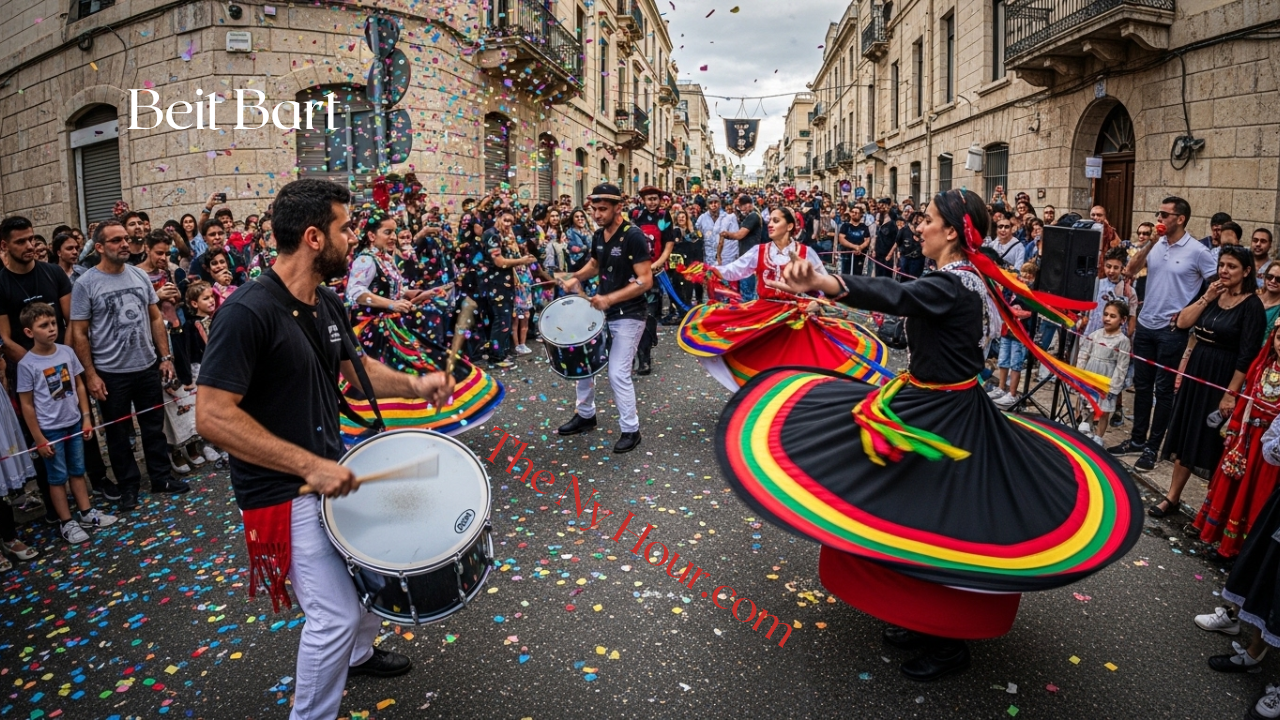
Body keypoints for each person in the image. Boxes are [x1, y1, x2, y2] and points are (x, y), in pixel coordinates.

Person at [716, 188, 1140, 682]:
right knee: (910, 508)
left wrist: (826, 282)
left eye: (930, 220)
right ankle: (918, 617)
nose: (919, 227)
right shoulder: (969, 276)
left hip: (945, 417)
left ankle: (947, 639)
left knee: (940, 518)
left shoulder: (954, 283)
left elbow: (899, 296)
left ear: (953, 232)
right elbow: (920, 312)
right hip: (935, 403)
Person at [196, 179, 456, 720]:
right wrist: (309, 466)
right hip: (282, 489)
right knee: (334, 615)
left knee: (377, 568)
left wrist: (416, 385)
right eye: (345, 228)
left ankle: (357, 656)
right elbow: (213, 416)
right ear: (314, 237)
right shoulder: (246, 312)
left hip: (329, 466)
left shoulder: (327, 301)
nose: (353, 238)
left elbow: (357, 373)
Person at [677, 205, 889, 391]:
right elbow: (734, 270)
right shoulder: (759, 251)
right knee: (760, 358)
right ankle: (761, 395)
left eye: (776, 221)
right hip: (764, 314)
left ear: (789, 226)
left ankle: (795, 399)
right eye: (770, 220)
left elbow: (824, 284)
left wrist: (815, 303)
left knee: (798, 363)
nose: (770, 225)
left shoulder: (805, 252)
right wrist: (708, 270)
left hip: (796, 316)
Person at [343, 211, 503, 438]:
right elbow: (355, 292)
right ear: (371, 235)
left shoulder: (385, 259)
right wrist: (391, 304)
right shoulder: (365, 260)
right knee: (384, 379)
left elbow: (396, 291)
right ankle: (383, 432)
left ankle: (403, 430)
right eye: (387, 232)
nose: (393, 237)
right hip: (372, 333)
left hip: (391, 328)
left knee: (419, 367)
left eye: (394, 232)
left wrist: (420, 293)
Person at [70, 220, 188, 511]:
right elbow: (79, 333)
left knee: (153, 427)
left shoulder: (138, 275)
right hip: (111, 373)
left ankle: (161, 477)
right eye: (116, 240)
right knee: (118, 434)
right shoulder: (86, 284)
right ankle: (128, 486)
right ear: (99, 247)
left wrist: (165, 358)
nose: (124, 244)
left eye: (125, 238)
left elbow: (155, 317)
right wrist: (91, 375)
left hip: (146, 366)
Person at [1151, 245, 1265, 516]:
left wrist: (1230, 394)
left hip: (1223, 377)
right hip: (1197, 370)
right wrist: (1206, 297)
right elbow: (1182, 323)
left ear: (1246, 271)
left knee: (1211, 441)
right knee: (1186, 432)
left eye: (1232, 266)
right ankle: (1172, 496)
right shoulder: (1213, 293)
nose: (1224, 270)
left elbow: (1247, 356)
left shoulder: (1252, 306)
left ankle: (1210, 511)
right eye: (1222, 265)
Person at [1112, 197, 1219, 473]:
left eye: (1164, 214)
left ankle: (1153, 447)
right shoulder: (1156, 244)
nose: (1159, 218)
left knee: (1163, 390)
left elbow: (1216, 285)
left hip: (1172, 330)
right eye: (1158, 213)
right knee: (1142, 386)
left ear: (1180, 219)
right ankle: (1137, 439)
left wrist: (1193, 314)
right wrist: (1150, 243)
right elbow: (1130, 270)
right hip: (1146, 324)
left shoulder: (1198, 251)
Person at [554, 184, 652, 454]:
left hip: (629, 314)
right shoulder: (598, 234)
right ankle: (586, 415)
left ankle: (631, 430)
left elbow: (645, 280)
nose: (596, 214)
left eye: (602, 209)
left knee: (617, 372)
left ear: (619, 207)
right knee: (584, 362)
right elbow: (595, 265)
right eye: (594, 209)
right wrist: (574, 277)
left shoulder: (633, 236)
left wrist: (609, 298)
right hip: (602, 312)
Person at [16, 302, 115, 544]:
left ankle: (86, 512)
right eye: (43, 325)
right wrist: (39, 438)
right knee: (57, 477)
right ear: (29, 332)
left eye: (53, 323)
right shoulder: (26, 365)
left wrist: (86, 418)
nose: (51, 329)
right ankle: (66, 521)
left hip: (74, 423)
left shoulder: (66, 352)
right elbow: (27, 404)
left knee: (78, 470)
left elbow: (79, 385)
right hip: (50, 430)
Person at [1192, 328, 1280, 561]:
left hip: (1270, 447)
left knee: (1258, 494)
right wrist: (1234, 430)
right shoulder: (1262, 366)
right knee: (1234, 486)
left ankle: (1246, 553)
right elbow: (1245, 398)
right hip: (1247, 437)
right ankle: (1224, 543)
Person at [1075, 300, 1132, 440]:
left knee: (1104, 410)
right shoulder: (1095, 335)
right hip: (1090, 375)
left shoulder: (1123, 341)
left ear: (1123, 320)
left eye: (1112, 316)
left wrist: (1114, 387)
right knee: (1086, 405)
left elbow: (1122, 366)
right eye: (1105, 314)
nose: (1107, 318)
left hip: (1107, 379)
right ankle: (1084, 431)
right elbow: (1083, 354)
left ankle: (1098, 438)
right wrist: (1079, 375)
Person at [695, 195, 740, 268]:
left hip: (725, 258)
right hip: (709, 257)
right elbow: (698, 234)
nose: (713, 205)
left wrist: (734, 256)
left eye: (715, 202)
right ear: (707, 205)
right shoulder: (702, 218)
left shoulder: (728, 218)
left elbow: (734, 240)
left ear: (719, 204)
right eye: (711, 202)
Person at [837, 207, 871, 277]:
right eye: (852, 212)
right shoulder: (845, 226)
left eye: (856, 212)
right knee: (845, 275)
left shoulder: (864, 227)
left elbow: (867, 240)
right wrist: (854, 247)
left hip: (860, 256)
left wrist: (860, 248)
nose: (854, 214)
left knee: (857, 276)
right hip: (846, 255)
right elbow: (841, 239)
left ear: (860, 215)